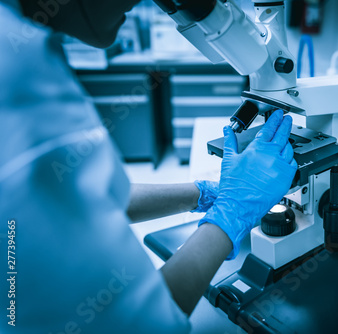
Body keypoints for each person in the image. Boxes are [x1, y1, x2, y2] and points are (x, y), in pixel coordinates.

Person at [0, 0, 297, 332]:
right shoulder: (15, 67)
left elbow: (78, 200)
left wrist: (202, 193)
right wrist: (233, 212)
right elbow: (141, 324)